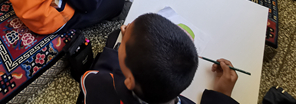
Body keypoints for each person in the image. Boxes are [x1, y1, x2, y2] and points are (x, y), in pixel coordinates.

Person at [79, 13, 240, 104]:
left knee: (114, 37)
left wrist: (117, 50)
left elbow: (89, 77)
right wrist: (223, 96)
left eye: (125, 44)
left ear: (129, 81)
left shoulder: (101, 86)